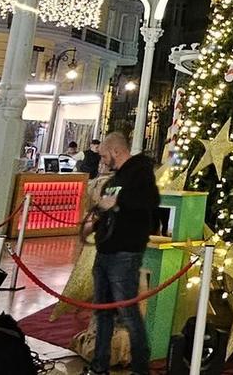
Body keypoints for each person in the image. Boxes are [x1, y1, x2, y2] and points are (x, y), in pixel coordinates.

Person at [87, 133, 160, 375]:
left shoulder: (140, 172)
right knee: (103, 312)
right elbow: (109, 209)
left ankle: (140, 367)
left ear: (115, 150)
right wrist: (95, 223)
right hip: (105, 250)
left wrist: (118, 201)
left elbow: (149, 200)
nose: (102, 159)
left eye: (104, 154)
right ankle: (99, 364)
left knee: (128, 313)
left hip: (125, 253)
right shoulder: (114, 179)